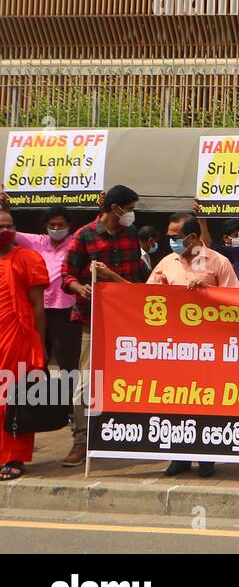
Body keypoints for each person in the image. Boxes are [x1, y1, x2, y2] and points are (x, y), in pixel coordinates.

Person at [60, 185, 148, 467]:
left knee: (128, 380)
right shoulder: (84, 235)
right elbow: (66, 276)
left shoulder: (130, 235)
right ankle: (80, 439)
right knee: (86, 382)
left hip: (125, 320)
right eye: (130, 209)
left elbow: (136, 277)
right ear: (116, 208)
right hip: (92, 318)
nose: (132, 215)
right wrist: (79, 288)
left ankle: (121, 435)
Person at [148, 212, 239, 478]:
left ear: (192, 237)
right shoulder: (167, 263)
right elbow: (146, 297)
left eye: (175, 238)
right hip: (175, 346)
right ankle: (180, 456)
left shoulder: (218, 261)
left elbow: (237, 302)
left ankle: (206, 457)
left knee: (206, 403)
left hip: (210, 347)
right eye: (169, 237)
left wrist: (209, 292)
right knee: (176, 403)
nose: (171, 242)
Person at [0, 195, 80, 375]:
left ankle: (68, 401)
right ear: (46, 226)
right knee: (37, 359)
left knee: (68, 362)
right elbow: (7, 232)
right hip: (37, 309)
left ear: (69, 226)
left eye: (60, 225)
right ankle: (39, 400)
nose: (56, 228)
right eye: (52, 225)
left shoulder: (76, 242)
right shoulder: (36, 242)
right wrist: (6, 210)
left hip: (65, 311)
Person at [0, 208, 49, 481]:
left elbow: (38, 306)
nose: (4, 231)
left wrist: (38, 344)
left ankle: (13, 457)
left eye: (9, 225)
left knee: (13, 400)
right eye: (0, 226)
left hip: (16, 338)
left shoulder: (28, 257)